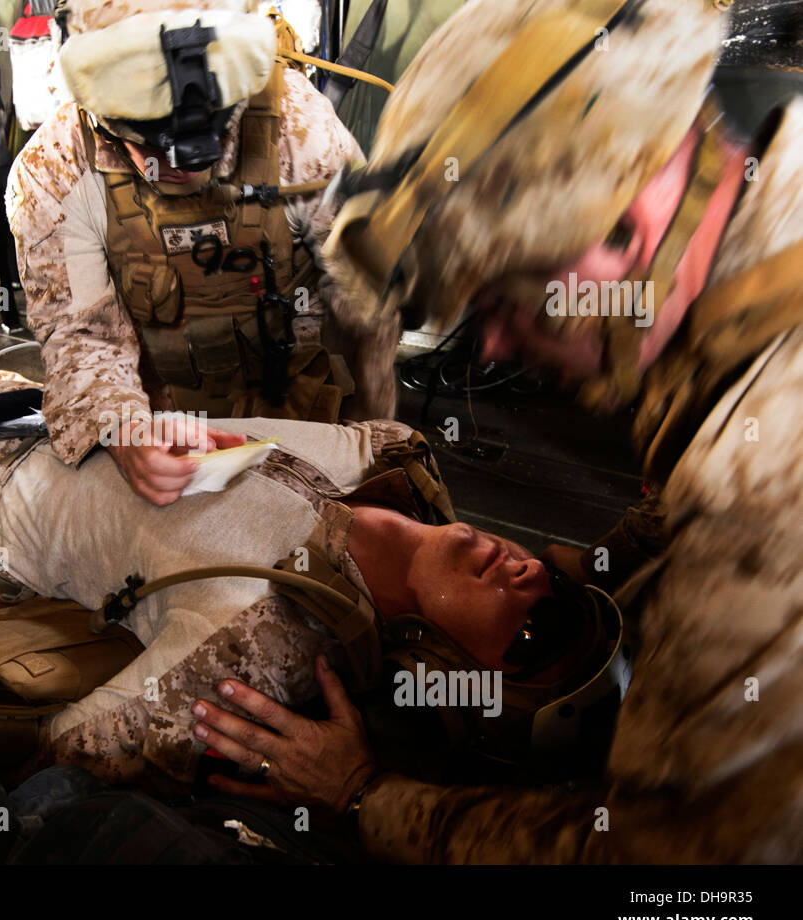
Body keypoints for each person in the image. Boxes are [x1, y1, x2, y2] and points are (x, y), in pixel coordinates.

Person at [193, 0, 803, 862]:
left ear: (619, 235)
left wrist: (365, 795)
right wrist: (595, 572)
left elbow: (676, 882)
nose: (504, 344)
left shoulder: (760, 496)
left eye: (501, 304)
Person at [0, 388, 617, 786]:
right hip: (31, 414)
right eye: (559, 589)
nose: (533, 574)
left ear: (441, 665)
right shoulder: (394, 452)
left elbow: (76, 748)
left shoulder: (261, 637)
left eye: (530, 630)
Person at [5, 0, 400, 507]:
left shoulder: (300, 131)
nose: (176, 166)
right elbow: (84, 335)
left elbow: (369, 310)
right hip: (163, 432)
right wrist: (125, 433)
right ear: (102, 118)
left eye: (205, 139)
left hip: (301, 415)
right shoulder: (55, 170)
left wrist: (376, 451)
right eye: (149, 144)